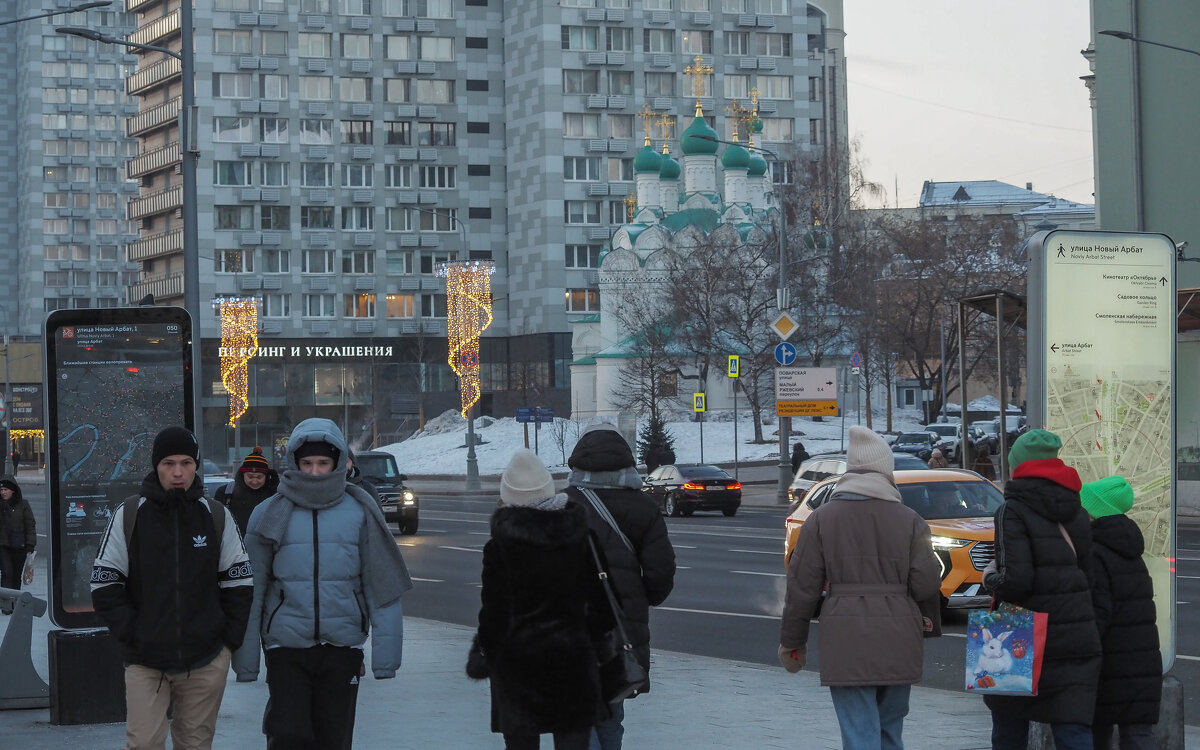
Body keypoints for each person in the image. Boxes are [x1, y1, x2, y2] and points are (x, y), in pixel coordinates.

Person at [234, 418, 412, 749]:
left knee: (334, 737)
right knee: (288, 734)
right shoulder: (269, 512)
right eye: (307, 463)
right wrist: (247, 661)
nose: (315, 471)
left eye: (323, 463)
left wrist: (385, 659)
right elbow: (253, 588)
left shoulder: (360, 510)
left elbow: (381, 584)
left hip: (342, 647)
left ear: (338, 462)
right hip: (285, 646)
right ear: (294, 463)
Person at [779, 426, 941, 750]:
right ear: (886, 469)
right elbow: (927, 583)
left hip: (845, 638)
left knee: (859, 735)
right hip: (899, 637)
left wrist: (792, 643)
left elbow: (801, 590)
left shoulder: (821, 520)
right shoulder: (910, 520)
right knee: (890, 732)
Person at [91, 426, 253, 750]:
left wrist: (226, 644)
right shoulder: (131, 514)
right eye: (168, 463)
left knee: (195, 744)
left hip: (205, 660)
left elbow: (239, 584)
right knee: (143, 744)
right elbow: (104, 584)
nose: (177, 472)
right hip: (145, 661)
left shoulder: (216, 516)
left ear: (195, 465)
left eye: (186, 463)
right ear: (156, 466)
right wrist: (134, 634)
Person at [471, 448, 609, 750]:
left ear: (508, 496)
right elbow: (603, 607)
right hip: (573, 664)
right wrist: (590, 643)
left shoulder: (500, 548)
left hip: (518, 669)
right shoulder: (583, 537)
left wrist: (483, 654)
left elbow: (493, 616)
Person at [981, 429, 1101, 750]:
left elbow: (1015, 581)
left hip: (1023, 635)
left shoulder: (1012, 510)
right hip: (1076, 633)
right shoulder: (1077, 508)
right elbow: (1089, 575)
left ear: (1018, 465)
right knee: (1073, 728)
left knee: (1009, 729)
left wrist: (989, 577)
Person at [564, 423, 676, 750]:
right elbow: (660, 579)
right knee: (612, 709)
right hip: (620, 631)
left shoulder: (562, 504)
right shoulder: (643, 508)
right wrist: (633, 596)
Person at [1080, 476, 1162, 750]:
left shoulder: (1094, 552)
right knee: (1138, 736)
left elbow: (1098, 613)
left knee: (1097, 735)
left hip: (1109, 665)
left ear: (1094, 512)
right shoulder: (1130, 549)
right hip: (1141, 663)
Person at [213, 446, 279, 537]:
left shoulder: (274, 495)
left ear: (266, 476)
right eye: (250, 477)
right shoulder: (225, 493)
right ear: (242, 475)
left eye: (259, 477)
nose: (255, 481)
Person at [0, 477, 35, 610]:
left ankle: (15, 603)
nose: (3, 492)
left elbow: (30, 525)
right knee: (7, 572)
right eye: (1, 489)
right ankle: (6, 605)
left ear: (13, 491)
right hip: (3, 545)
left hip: (19, 545)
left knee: (16, 575)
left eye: (5, 490)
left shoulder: (23, 504)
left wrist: (30, 544)